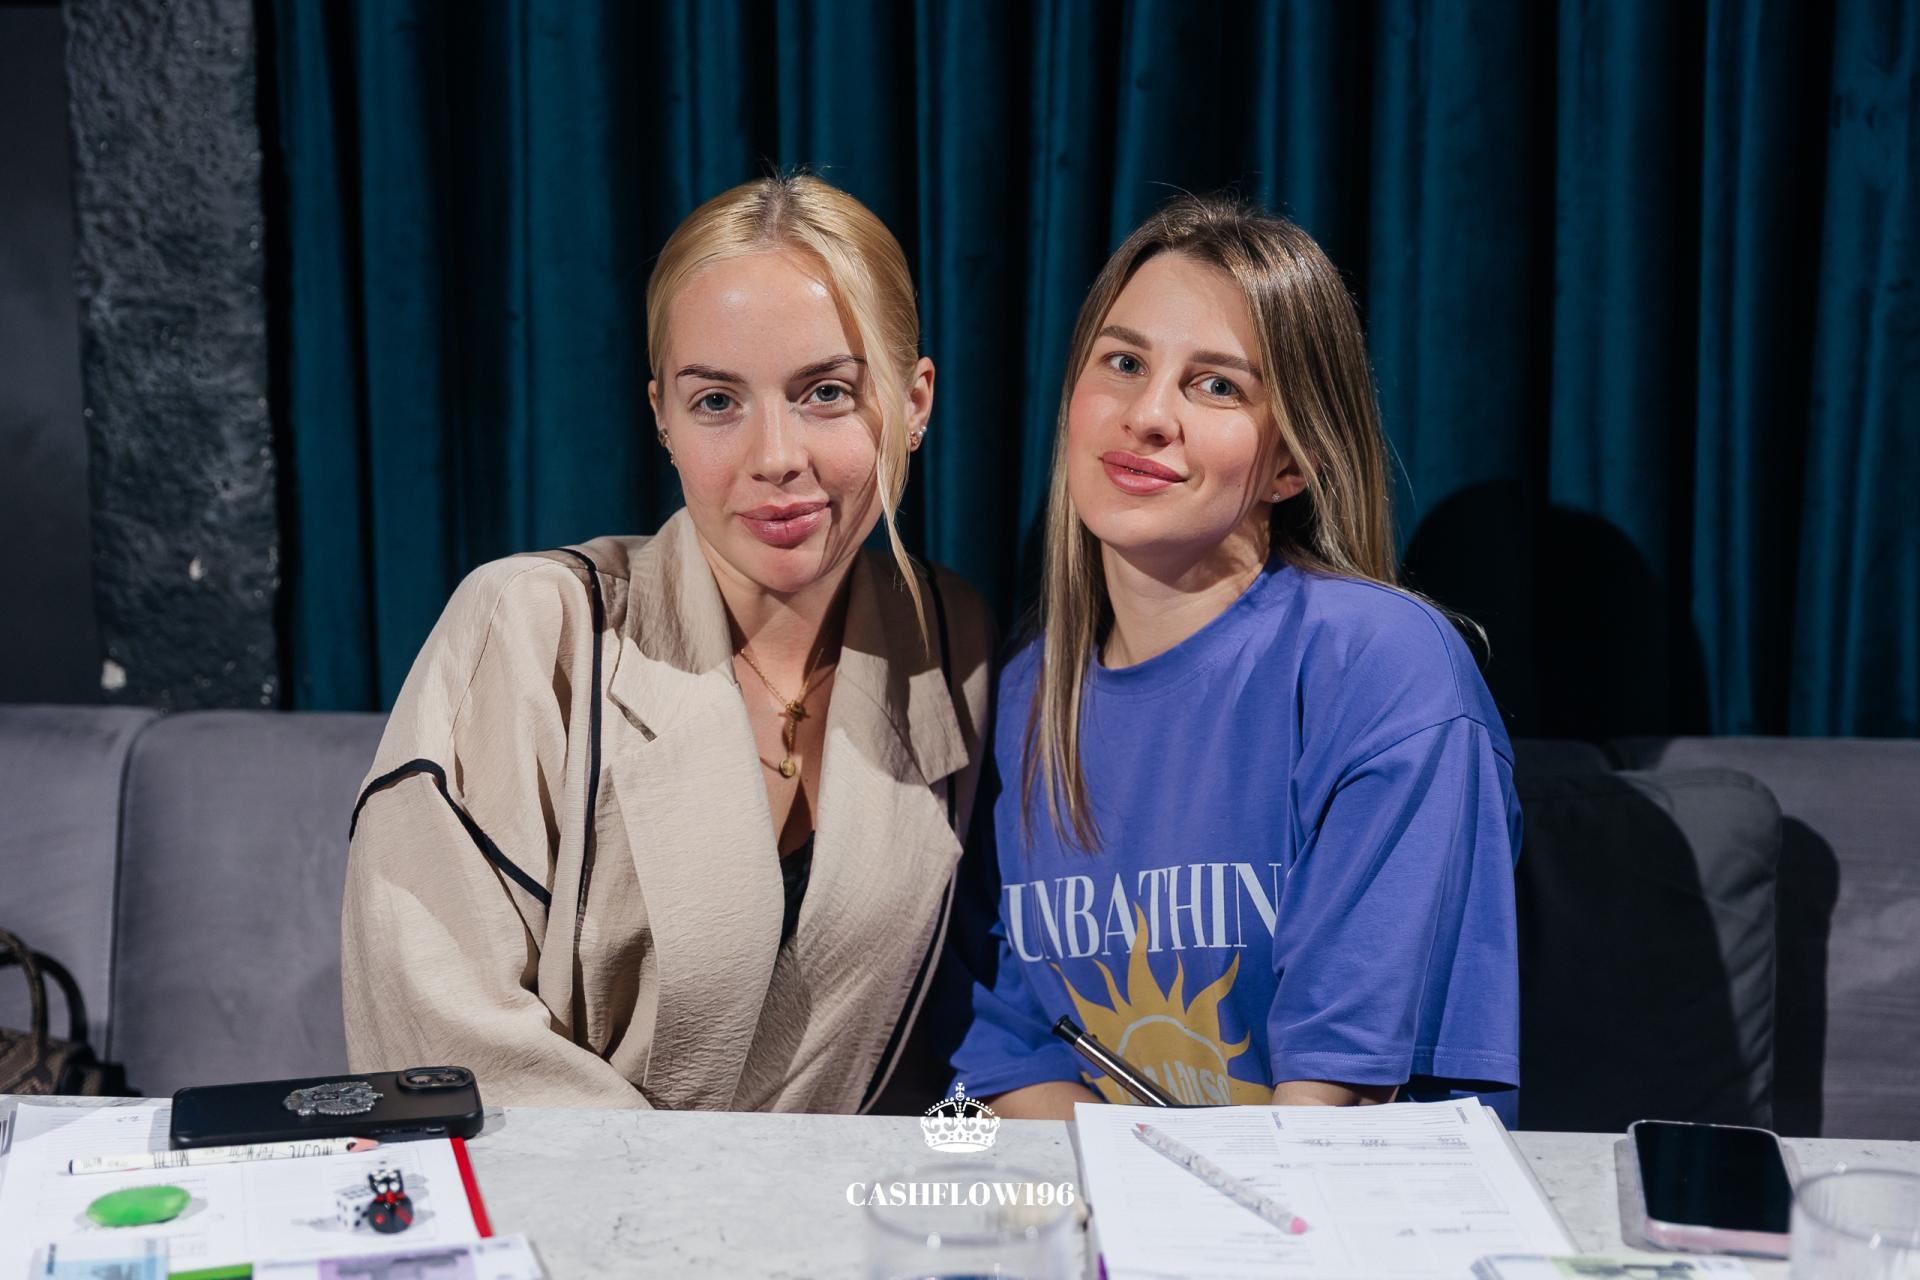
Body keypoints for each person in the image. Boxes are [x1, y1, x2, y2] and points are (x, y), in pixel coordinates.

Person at [342, 175, 993, 1112]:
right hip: (562, 1203)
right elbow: (437, 1035)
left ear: (915, 400)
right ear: (662, 418)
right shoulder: (529, 629)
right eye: (717, 401)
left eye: (826, 392)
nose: (776, 456)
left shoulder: (951, 640)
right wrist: (690, 1192)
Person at [950, 195, 1521, 1120]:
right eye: (1124, 363)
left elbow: (1336, 1096)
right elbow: (1008, 1047)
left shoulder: (1380, 667)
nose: (1148, 415)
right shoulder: (1021, 695)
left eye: (1216, 385)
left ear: (1292, 460)